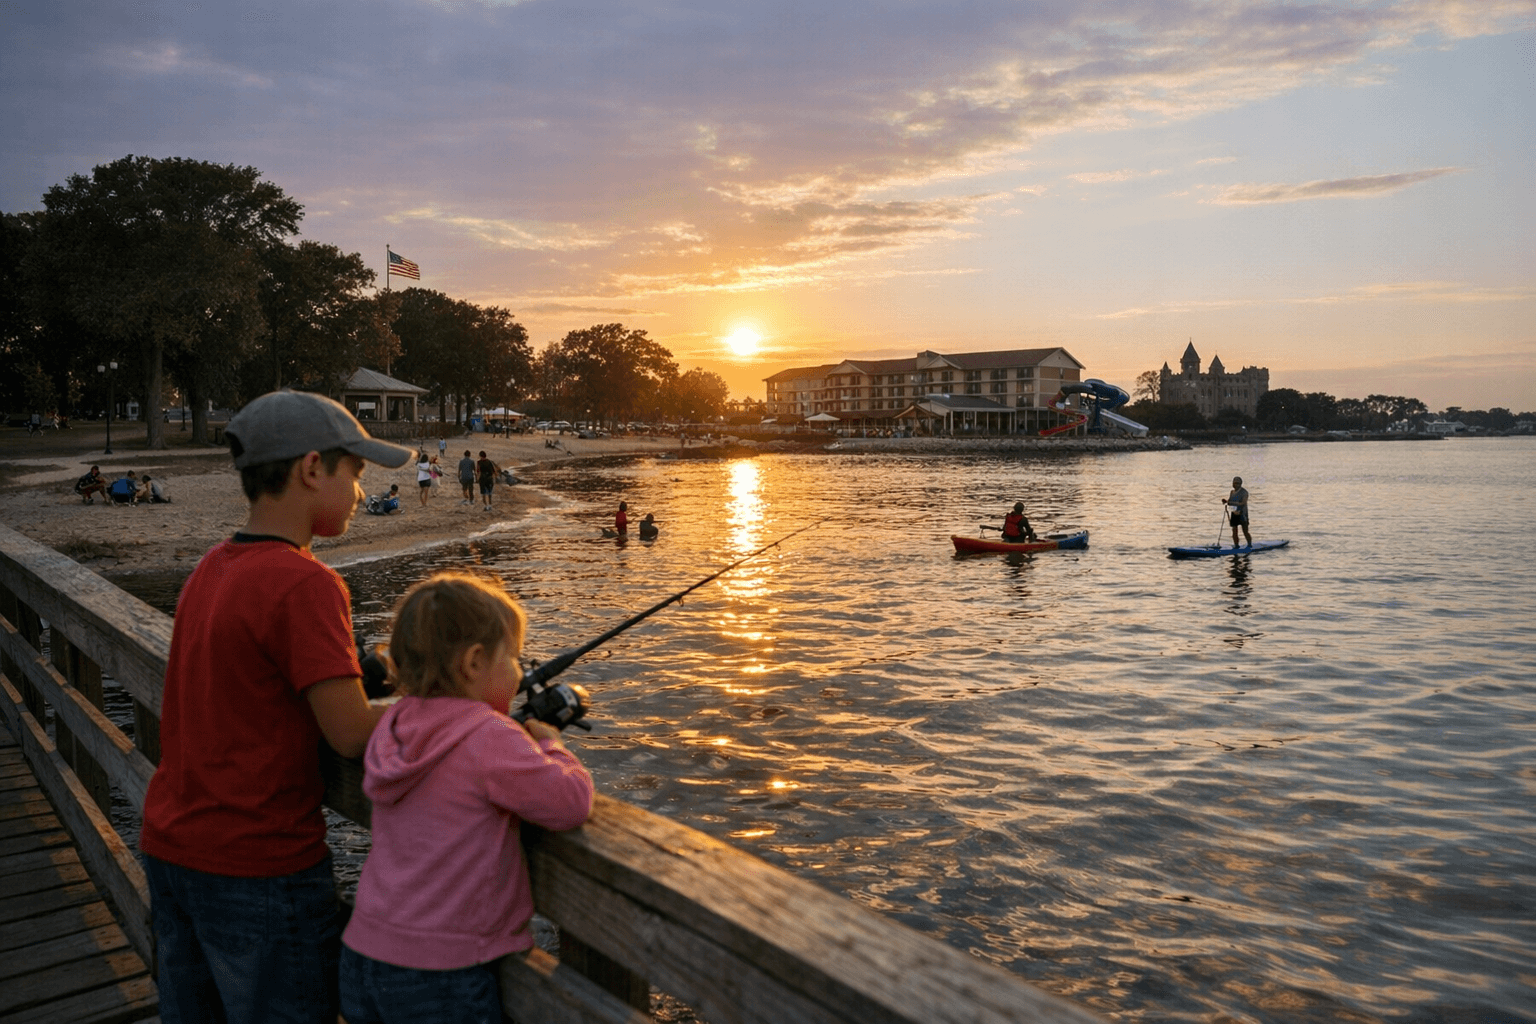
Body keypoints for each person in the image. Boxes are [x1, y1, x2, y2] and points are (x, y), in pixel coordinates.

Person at [139, 389, 412, 1024]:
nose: (362, 495)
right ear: (312, 468)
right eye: (356, 474)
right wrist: (454, 709)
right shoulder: (307, 583)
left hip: (173, 848)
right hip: (258, 867)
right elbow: (348, 735)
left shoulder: (213, 565)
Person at [338, 572, 594, 1024]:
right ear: (474, 662)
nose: (519, 671)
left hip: (365, 953)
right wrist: (550, 743)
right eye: (513, 658)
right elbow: (569, 801)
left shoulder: (394, 725)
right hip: (443, 973)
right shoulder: (488, 735)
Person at [1224, 476, 1252, 548]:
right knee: (1234, 531)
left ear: (1241, 484)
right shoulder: (1232, 492)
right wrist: (1226, 502)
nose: (1236, 485)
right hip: (1234, 513)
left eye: (1238, 483)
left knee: (1245, 531)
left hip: (1242, 514)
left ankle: (1249, 545)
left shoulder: (1244, 492)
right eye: (1234, 483)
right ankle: (1236, 545)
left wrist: (1232, 503)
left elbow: (1243, 503)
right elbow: (1230, 502)